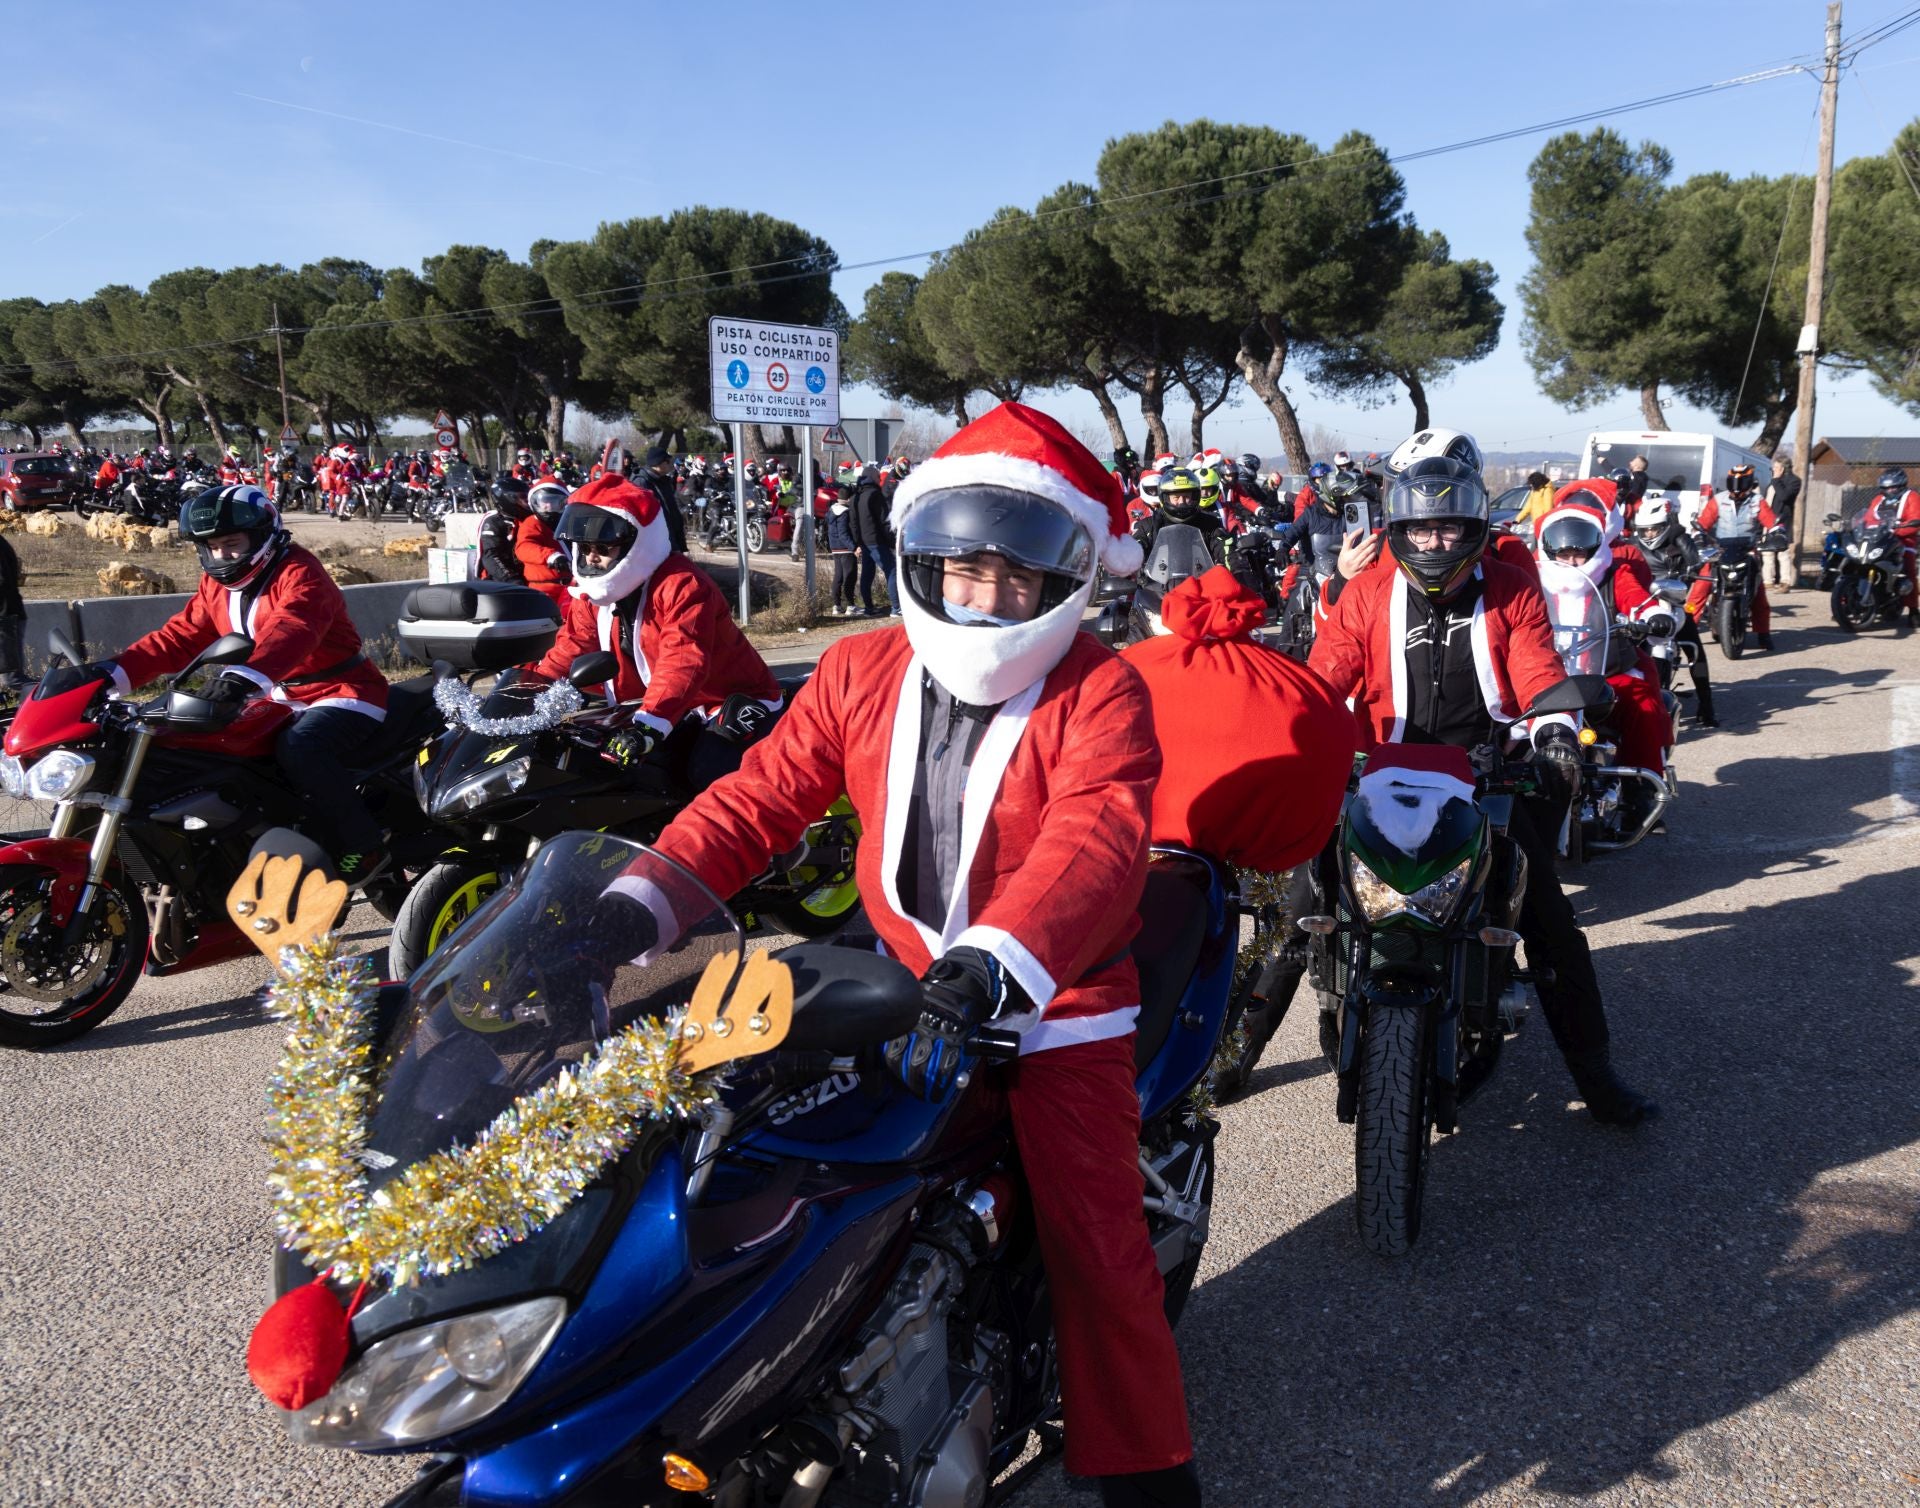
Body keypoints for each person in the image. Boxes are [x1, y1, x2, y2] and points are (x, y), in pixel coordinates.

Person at [649, 402, 1201, 1507]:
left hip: (1054, 1003)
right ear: (924, 558)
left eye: (1014, 574)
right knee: (720, 1149)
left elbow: (1093, 841)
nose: (984, 596)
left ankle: (1156, 1480)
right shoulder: (858, 666)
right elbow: (759, 798)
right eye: (963, 568)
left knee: (1100, 1256)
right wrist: (641, 897)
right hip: (901, 977)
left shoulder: (1104, 686)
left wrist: (998, 959)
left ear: (1067, 576)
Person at [1230, 437, 1658, 1127]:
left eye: (1449, 526)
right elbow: (1325, 673)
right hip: (1376, 772)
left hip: (1485, 774)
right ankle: (1231, 1060)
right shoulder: (1366, 591)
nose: (1435, 539)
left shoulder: (1512, 586)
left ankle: (1598, 1077)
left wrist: (1554, 729)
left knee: (1550, 924)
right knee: (1297, 913)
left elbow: (1538, 667)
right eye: (1422, 527)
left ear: (1474, 528)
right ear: (1399, 530)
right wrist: (1283, 723)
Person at [106, 486, 392, 884]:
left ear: (262, 536)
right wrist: (111, 673)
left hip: (341, 691)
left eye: (231, 543)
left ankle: (364, 844)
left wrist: (242, 680)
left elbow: (292, 628)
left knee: (300, 747)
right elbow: (179, 637)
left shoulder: (300, 572)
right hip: (274, 694)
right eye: (211, 546)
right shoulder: (216, 586)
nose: (221, 555)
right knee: (214, 752)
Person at [523, 475, 780, 786]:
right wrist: (523, 691)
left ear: (636, 543)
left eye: (603, 547)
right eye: (585, 547)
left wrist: (648, 725)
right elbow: (572, 646)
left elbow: (683, 661)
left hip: (724, 699)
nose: (591, 556)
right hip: (657, 707)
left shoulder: (683, 585)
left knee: (709, 774)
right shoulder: (591, 591)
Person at [1534, 492, 1674, 780]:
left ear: (1595, 548)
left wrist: (1651, 616)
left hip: (1605, 674)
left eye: (1579, 553)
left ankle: (1643, 788)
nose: (1571, 561)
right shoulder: (1532, 579)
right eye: (1563, 554)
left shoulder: (1613, 574)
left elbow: (1637, 598)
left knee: (1642, 703)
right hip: (1547, 676)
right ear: (1549, 550)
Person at [1632, 496, 1719, 726]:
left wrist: (1691, 569)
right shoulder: (1633, 545)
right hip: (1643, 605)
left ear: (1666, 526)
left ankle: (1707, 705)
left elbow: (1696, 563)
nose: (1649, 534)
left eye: (1654, 530)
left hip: (1673, 604)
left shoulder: (1680, 539)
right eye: (1644, 530)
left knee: (1696, 651)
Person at [1692, 465, 1777, 651]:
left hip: (1748, 550)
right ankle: (1686, 629)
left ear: (1749, 483)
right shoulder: (1718, 500)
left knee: (1759, 595)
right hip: (1721, 549)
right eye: (1734, 481)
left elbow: (1772, 522)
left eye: (1742, 481)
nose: (1737, 486)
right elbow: (1703, 522)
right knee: (1701, 586)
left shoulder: (1757, 501)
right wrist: (1698, 535)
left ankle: (1763, 633)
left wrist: (1778, 534)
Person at [1858, 466, 1920, 626]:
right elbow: (1868, 517)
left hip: (1903, 540)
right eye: (1885, 488)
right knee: (1855, 561)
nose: (1889, 490)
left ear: (1901, 485)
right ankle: (1847, 601)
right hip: (1878, 538)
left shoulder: (1911, 496)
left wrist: (1898, 529)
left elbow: (1915, 519)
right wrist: (1860, 526)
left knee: (1908, 568)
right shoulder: (1878, 499)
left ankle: (1913, 610)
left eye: (1893, 487)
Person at [849, 461, 897, 615]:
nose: (879, 479)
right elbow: (884, 521)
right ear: (872, 477)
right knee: (892, 570)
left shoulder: (855, 497)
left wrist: (857, 543)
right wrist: (892, 541)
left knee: (867, 574)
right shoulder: (875, 495)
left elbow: (853, 523)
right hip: (876, 541)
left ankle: (869, 608)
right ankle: (897, 608)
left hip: (864, 542)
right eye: (877, 477)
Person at [516, 481, 572, 606]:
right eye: (543, 502)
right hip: (544, 589)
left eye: (553, 501)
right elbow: (524, 547)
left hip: (572, 586)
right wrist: (551, 556)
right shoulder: (532, 523)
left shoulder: (569, 523)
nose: (547, 506)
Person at [636, 446, 688, 554]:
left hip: (671, 542)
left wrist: (680, 545)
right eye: (668, 461)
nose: (670, 464)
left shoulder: (664, 481)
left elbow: (672, 513)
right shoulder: (642, 482)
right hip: (656, 546)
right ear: (659, 462)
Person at [478, 477, 530, 584]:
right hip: (502, 580)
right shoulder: (493, 522)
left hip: (526, 574)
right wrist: (510, 578)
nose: (526, 503)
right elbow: (491, 556)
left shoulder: (529, 519)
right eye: (522, 498)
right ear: (507, 499)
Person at [1762, 458, 1800, 592]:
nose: (1773, 470)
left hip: (1782, 521)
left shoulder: (1794, 481)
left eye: (1776, 467)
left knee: (1782, 553)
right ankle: (1767, 581)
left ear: (1783, 468)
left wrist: (1777, 480)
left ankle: (1785, 582)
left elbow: (1784, 496)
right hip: (1767, 520)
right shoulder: (1773, 482)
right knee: (1767, 552)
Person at [825, 481, 860, 615]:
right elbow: (843, 533)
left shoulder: (831, 510)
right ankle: (850, 606)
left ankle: (836, 605)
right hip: (845, 549)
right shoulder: (844, 513)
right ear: (848, 499)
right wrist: (854, 548)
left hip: (835, 548)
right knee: (849, 577)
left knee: (838, 577)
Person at [0, 529, 25, 695]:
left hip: (6, 617)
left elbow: (2, 583)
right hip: (9, 614)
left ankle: (51, 697)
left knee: (13, 679)